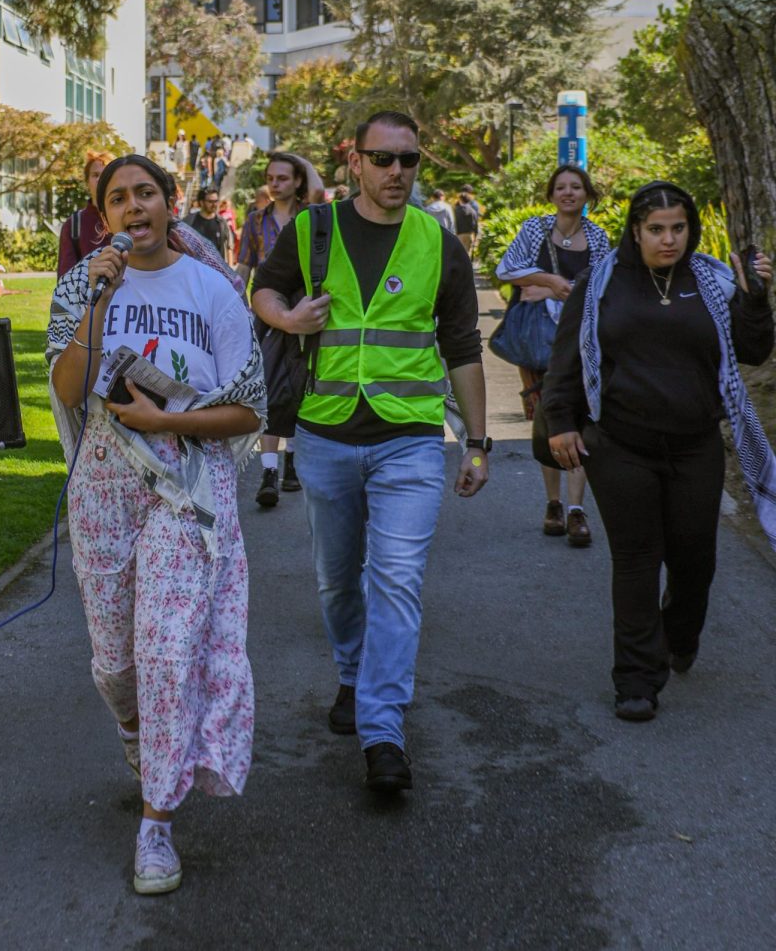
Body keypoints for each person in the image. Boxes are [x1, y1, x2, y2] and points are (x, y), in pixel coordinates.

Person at [46, 154, 266, 894]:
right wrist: (99, 304)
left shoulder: (213, 288)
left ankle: (157, 824)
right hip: (105, 487)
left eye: (146, 194)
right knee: (117, 664)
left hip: (187, 487)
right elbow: (69, 388)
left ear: (171, 205)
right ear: (102, 215)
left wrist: (169, 416)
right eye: (118, 199)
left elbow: (249, 409)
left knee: (168, 651)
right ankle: (141, 737)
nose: (133, 207)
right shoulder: (85, 283)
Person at [251, 110, 489, 792]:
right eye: (382, 159)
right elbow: (261, 287)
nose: (396, 172)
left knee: (397, 578)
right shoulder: (312, 228)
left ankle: (383, 728)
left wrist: (477, 443)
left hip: (410, 440)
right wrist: (286, 315)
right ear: (353, 161)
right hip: (324, 434)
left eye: (408, 160)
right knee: (336, 578)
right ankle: (354, 675)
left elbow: (464, 348)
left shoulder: (439, 244)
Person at [543, 181, 774, 722]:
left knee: (695, 558)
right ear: (635, 230)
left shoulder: (714, 280)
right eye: (656, 229)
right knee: (637, 559)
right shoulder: (599, 283)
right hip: (620, 443)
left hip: (695, 445)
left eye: (678, 228)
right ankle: (636, 679)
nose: (668, 239)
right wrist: (560, 421)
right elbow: (567, 358)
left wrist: (756, 299)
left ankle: (680, 632)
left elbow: (755, 350)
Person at [496, 165, 611, 545]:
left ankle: (577, 509)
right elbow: (506, 269)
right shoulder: (534, 230)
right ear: (551, 195)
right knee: (546, 420)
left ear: (587, 194)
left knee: (579, 418)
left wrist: (549, 289)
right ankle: (553, 503)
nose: (568, 193)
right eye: (560, 187)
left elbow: (605, 287)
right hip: (537, 342)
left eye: (575, 187)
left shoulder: (597, 237)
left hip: (583, 341)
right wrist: (549, 280)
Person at [236, 151, 324, 508]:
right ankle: (269, 471)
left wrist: (299, 160)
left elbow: (318, 191)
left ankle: (292, 464)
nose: (275, 184)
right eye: (271, 178)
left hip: (304, 309)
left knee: (303, 388)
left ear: (298, 181)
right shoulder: (255, 220)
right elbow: (244, 266)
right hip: (267, 314)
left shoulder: (309, 216)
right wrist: (234, 306)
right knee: (270, 388)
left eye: (284, 177)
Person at [58, 150, 114, 279]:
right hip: (88, 297)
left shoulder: (128, 218)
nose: (100, 179)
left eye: (106, 174)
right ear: (87, 181)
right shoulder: (74, 225)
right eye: (95, 175)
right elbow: (66, 280)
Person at [186, 187, 230, 259]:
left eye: (216, 201)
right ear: (201, 202)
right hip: (195, 267)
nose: (214, 204)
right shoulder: (189, 221)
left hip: (215, 268)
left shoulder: (221, 223)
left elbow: (229, 247)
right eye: (210, 201)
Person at [454, 187, 480, 257]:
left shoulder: (456, 210)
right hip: (469, 234)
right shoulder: (472, 211)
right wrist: (476, 234)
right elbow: (475, 223)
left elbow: (454, 222)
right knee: (468, 254)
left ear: (461, 200)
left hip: (459, 234)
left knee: (459, 254)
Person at [218, 197, 239, 264]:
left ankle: (232, 262)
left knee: (231, 246)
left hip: (231, 230)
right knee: (225, 246)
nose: (227, 207)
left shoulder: (231, 212)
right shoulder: (220, 213)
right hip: (223, 231)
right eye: (226, 205)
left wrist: (235, 230)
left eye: (229, 205)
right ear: (223, 205)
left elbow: (233, 222)